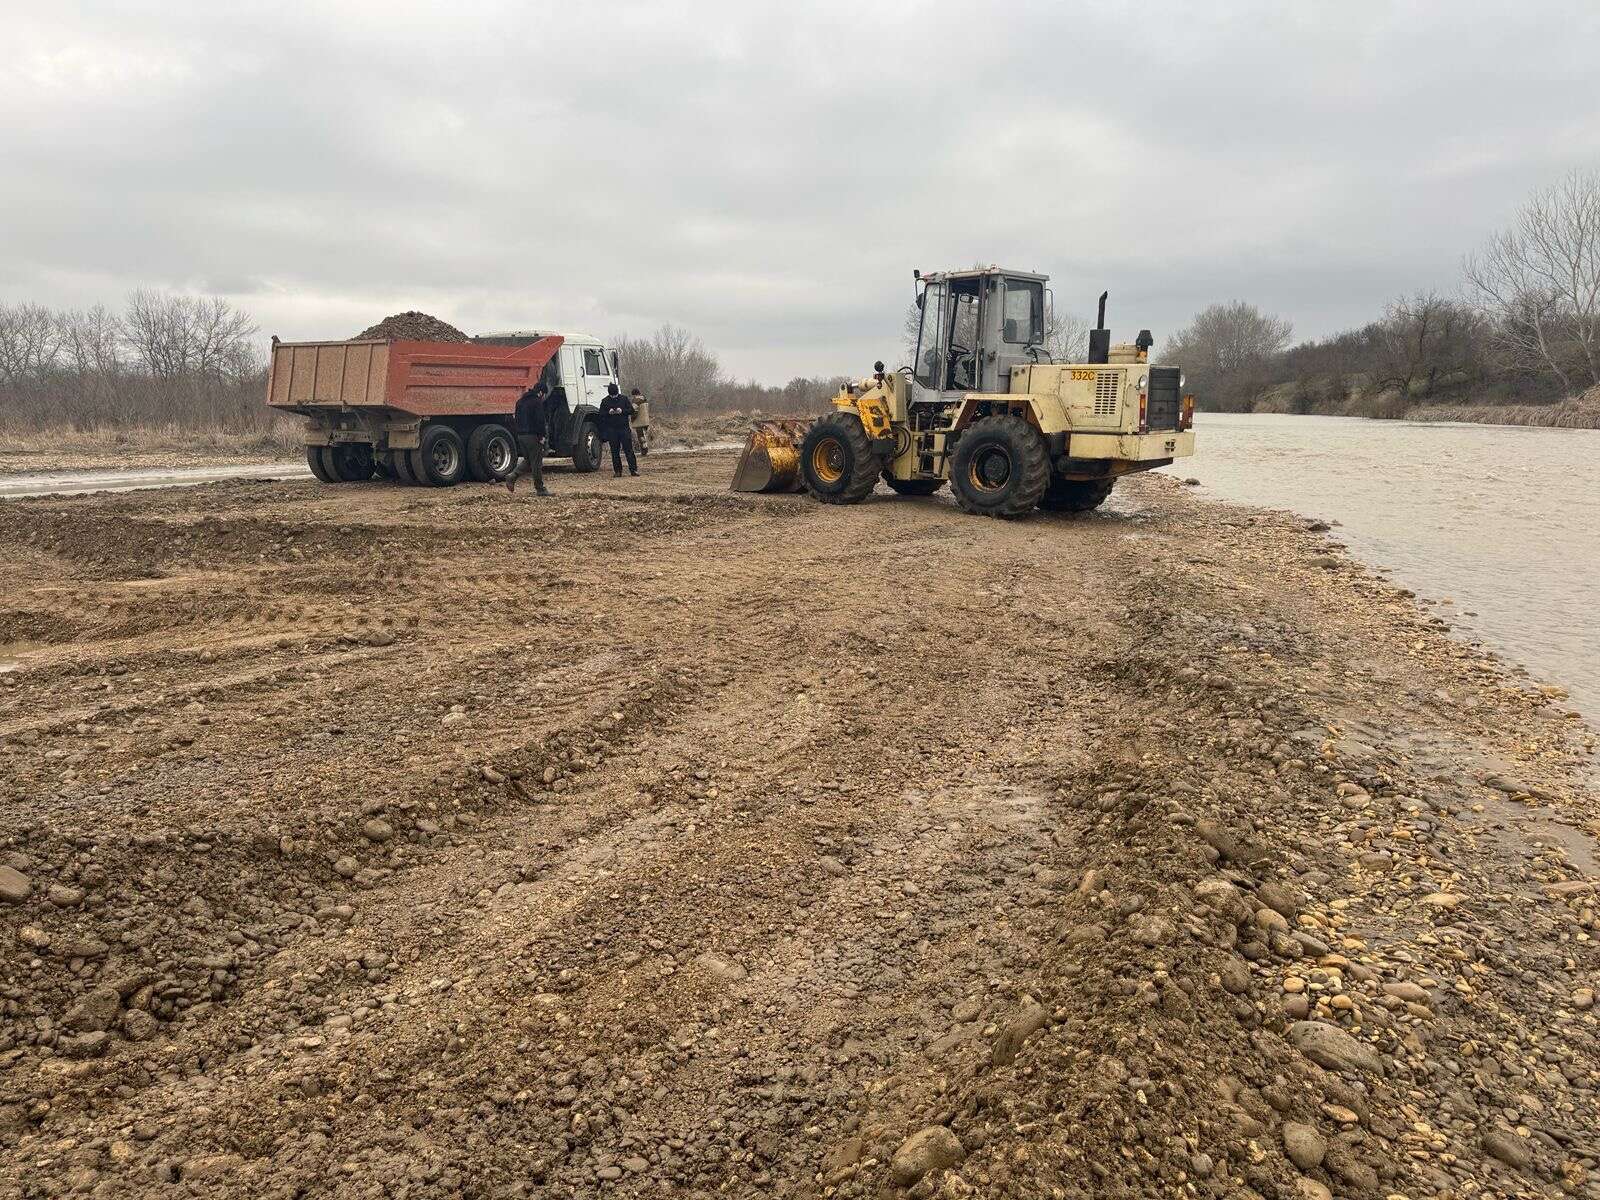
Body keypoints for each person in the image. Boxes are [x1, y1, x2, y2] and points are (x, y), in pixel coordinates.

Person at [507, 381, 551, 496]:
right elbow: (540, 421)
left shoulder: (520, 402)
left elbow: (515, 419)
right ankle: (540, 489)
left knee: (528, 460)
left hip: (521, 435)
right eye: (544, 394)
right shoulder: (537, 403)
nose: (544, 397)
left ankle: (512, 476)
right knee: (536, 463)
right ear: (541, 392)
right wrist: (542, 436)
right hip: (533, 436)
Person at [598, 383, 638, 476]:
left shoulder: (624, 399)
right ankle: (618, 471)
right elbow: (600, 414)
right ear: (609, 394)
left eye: (615, 395)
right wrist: (608, 412)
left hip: (624, 428)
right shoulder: (604, 401)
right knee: (614, 451)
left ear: (617, 392)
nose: (613, 397)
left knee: (629, 450)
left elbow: (631, 410)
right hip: (612, 430)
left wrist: (622, 411)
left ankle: (633, 470)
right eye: (611, 395)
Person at [629, 387, 651, 456]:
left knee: (641, 436)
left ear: (634, 394)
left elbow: (634, 410)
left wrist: (632, 419)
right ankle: (645, 449)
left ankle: (644, 450)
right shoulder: (644, 399)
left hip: (639, 421)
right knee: (644, 435)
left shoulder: (636, 400)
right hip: (645, 420)